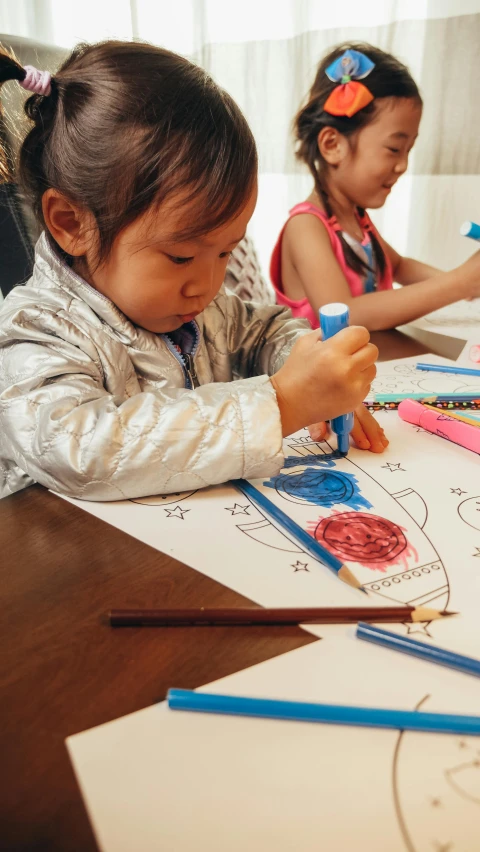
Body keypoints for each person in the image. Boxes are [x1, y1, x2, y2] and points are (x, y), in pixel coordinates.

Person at [0, 41, 386, 502]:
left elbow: (267, 330)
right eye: (181, 257)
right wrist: (282, 404)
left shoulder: (207, 312)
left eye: (225, 253)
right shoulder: (35, 332)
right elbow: (83, 450)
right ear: (72, 223)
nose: (207, 285)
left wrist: (309, 369)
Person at [271, 43, 480, 331]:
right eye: (394, 148)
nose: (403, 165)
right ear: (333, 145)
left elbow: (400, 267)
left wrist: (470, 284)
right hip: (318, 375)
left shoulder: (358, 222)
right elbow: (347, 315)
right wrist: (458, 283)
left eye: (409, 150)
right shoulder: (306, 227)